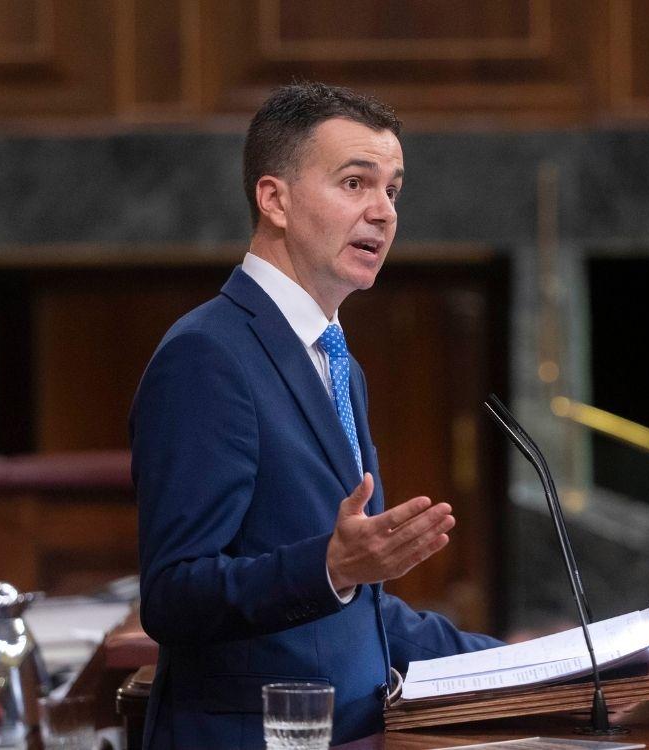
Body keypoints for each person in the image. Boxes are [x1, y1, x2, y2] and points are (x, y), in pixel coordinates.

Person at [131, 82, 502, 749]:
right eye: (355, 183)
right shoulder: (208, 355)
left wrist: (539, 658)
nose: (383, 212)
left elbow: (357, 612)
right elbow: (174, 597)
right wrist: (330, 566)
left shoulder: (335, 362)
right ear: (274, 198)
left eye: (393, 190)